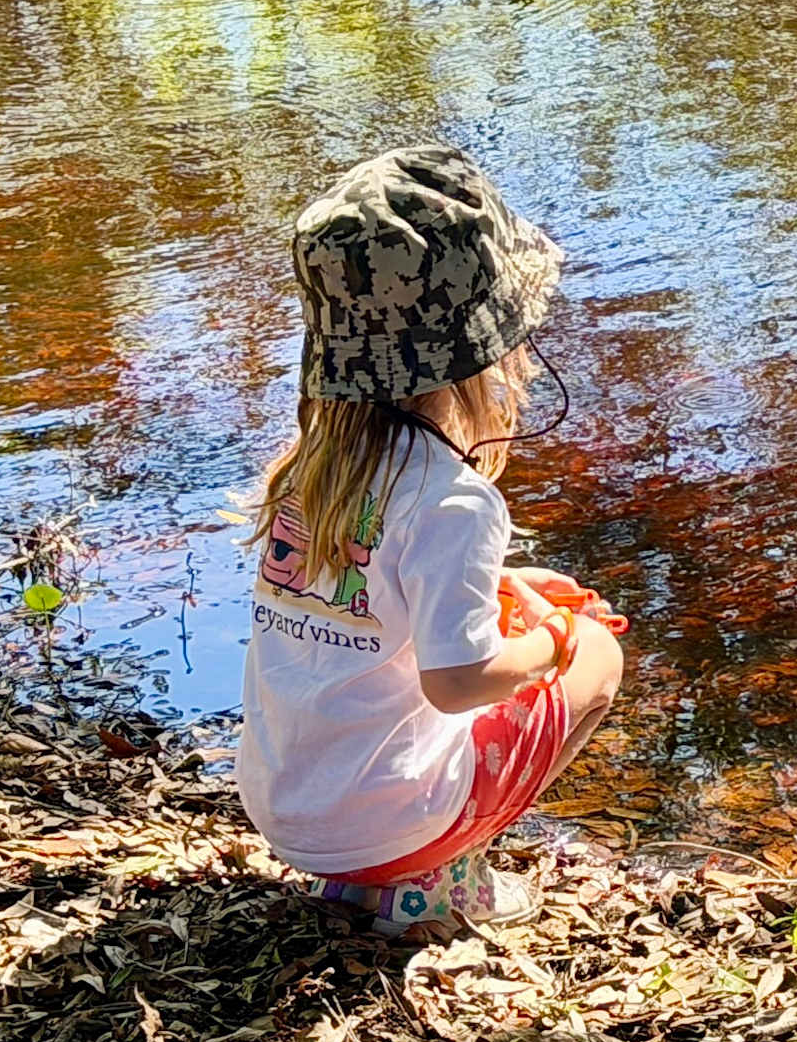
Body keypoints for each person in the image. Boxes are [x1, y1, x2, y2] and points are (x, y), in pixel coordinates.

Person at [237, 144, 627, 930]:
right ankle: (435, 879)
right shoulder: (456, 501)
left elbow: (358, 606)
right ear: (483, 351)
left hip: (283, 808)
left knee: (512, 629)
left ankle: (374, 870)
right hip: (382, 824)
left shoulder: (310, 470)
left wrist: (509, 586)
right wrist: (554, 638)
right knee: (600, 654)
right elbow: (456, 684)